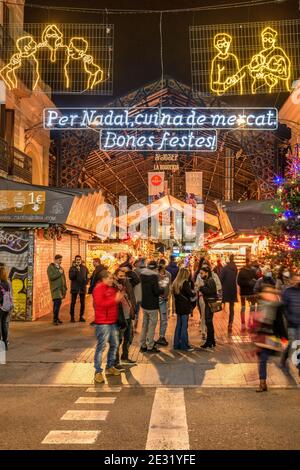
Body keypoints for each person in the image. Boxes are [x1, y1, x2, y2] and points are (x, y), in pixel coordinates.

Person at [93, 270, 125, 383]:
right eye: (110, 278)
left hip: (112, 321)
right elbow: (100, 304)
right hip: (103, 323)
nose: (112, 280)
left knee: (115, 344)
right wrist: (115, 300)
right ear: (104, 279)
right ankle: (97, 371)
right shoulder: (98, 289)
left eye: (112, 278)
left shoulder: (111, 289)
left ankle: (110, 366)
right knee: (101, 347)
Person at [253, 286, 287, 392]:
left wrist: (284, 339)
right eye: (265, 292)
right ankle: (262, 383)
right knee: (262, 359)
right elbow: (258, 321)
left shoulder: (278, 307)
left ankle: (263, 382)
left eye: (268, 293)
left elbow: (281, 323)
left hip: (272, 336)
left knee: (265, 358)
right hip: (262, 336)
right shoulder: (262, 305)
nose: (265, 295)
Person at [140, 260, 164, 354]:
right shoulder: (154, 276)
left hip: (144, 303)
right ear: (155, 268)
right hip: (152, 305)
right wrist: (162, 288)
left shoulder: (142, 275)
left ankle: (143, 345)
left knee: (144, 325)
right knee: (152, 326)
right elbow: (156, 291)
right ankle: (150, 346)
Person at [114, 269, 136, 367]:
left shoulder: (126, 284)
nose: (122, 278)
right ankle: (115, 362)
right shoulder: (114, 287)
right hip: (120, 317)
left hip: (128, 316)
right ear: (116, 276)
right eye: (120, 276)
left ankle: (125, 357)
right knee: (118, 340)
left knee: (129, 338)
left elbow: (136, 280)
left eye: (123, 276)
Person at [281, 273, 300, 375]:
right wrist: (288, 317)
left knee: (298, 343)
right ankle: (285, 356)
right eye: (296, 280)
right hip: (291, 322)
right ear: (292, 281)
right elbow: (284, 306)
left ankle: (299, 366)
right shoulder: (287, 291)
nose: (298, 282)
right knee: (293, 342)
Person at [173, 268, 195, 351]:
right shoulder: (185, 283)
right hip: (185, 307)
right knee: (184, 326)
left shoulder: (175, 283)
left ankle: (176, 344)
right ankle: (184, 345)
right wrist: (195, 292)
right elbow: (190, 294)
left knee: (178, 325)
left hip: (178, 307)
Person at [199, 267, 218, 349]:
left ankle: (209, 341)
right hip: (209, 303)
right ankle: (211, 340)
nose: (201, 275)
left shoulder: (209, 280)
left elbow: (211, 291)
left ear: (206, 273)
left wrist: (201, 288)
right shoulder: (209, 280)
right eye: (200, 273)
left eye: (202, 273)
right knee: (209, 322)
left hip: (210, 304)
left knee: (208, 321)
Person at [47, 254, 67, 325]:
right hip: (55, 289)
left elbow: (63, 278)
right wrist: (59, 273)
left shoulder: (61, 268)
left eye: (61, 260)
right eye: (59, 260)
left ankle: (57, 318)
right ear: (55, 260)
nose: (60, 261)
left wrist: (65, 287)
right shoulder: (50, 267)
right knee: (57, 303)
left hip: (61, 289)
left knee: (58, 303)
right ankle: (55, 319)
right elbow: (51, 277)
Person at [220, 254, 238, 334]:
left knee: (221, 303)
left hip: (226, 289)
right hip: (233, 289)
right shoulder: (235, 268)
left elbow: (221, 278)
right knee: (232, 307)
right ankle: (230, 323)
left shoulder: (225, 268)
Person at [237, 258, 257, 330]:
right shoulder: (243, 271)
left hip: (248, 292)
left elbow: (239, 282)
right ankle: (245, 323)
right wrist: (249, 283)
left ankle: (249, 322)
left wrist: (250, 283)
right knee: (246, 308)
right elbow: (239, 282)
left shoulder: (252, 271)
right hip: (247, 292)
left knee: (250, 308)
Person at [69, 255, 89, 322]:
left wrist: (86, 282)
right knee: (73, 303)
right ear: (75, 260)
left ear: (81, 260)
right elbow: (71, 277)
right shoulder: (72, 268)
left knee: (82, 303)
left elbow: (87, 276)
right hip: (75, 288)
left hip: (82, 288)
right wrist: (76, 271)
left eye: (79, 259)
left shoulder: (84, 268)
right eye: (77, 260)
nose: (78, 261)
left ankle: (81, 316)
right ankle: (72, 317)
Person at [156, 262, 172, 346]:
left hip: (164, 300)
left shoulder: (168, 274)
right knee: (154, 320)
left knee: (164, 319)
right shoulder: (155, 275)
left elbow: (168, 286)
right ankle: (151, 338)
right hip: (155, 301)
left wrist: (167, 296)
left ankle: (162, 336)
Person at [0, 265, 13, 351]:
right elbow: (11, 294)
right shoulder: (8, 282)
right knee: (4, 324)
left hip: (0, 306)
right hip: (7, 307)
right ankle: (5, 343)